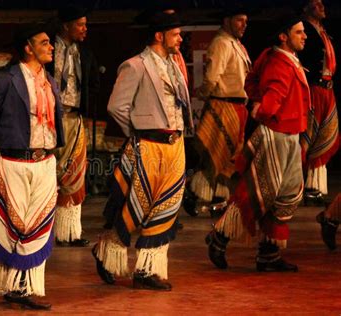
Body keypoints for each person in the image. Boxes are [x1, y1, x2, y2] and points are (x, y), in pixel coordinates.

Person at [92, 11, 190, 290]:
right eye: (176, 34)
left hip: (175, 145)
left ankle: (147, 271)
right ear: (159, 36)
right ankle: (107, 251)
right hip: (148, 146)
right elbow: (115, 107)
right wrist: (138, 131)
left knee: (166, 208)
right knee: (138, 208)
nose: (180, 38)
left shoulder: (175, 65)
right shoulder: (135, 65)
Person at [205, 16, 309, 272]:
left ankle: (269, 252)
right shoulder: (279, 63)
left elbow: (250, 82)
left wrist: (255, 100)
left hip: (289, 134)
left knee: (285, 195)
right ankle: (220, 236)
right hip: (278, 135)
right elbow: (272, 97)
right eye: (299, 32)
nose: (304, 36)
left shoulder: (276, 57)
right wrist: (263, 110)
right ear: (283, 36)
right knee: (257, 193)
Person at [0, 24, 64, 310]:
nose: (51, 47)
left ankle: (24, 287)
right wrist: (7, 137)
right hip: (15, 161)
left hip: (44, 161)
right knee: (18, 224)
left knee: (38, 222)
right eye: (45, 42)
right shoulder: (5, 79)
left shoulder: (50, 81)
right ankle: (14, 285)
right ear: (28, 47)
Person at [184, 6, 252, 217]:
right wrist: (206, 96)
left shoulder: (236, 44)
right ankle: (194, 194)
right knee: (216, 157)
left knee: (227, 160)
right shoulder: (221, 43)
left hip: (237, 106)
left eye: (246, 21)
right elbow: (212, 77)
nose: (244, 25)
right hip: (223, 105)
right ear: (227, 20)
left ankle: (217, 200)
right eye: (240, 20)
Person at [46, 4, 100, 247]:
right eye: (80, 24)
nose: (84, 29)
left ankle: (70, 231)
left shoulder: (84, 53)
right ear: (65, 26)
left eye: (85, 24)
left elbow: (92, 83)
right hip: (49, 119)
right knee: (49, 172)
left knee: (75, 172)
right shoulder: (48, 48)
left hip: (74, 117)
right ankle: (45, 228)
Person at [298, 0, 339, 205]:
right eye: (316, 3)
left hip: (327, 88)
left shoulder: (322, 30)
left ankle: (317, 187)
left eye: (323, 3)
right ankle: (302, 187)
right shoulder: (303, 29)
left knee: (325, 134)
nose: (322, 6)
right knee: (308, 136)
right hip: (313, 88)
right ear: (306, 8)